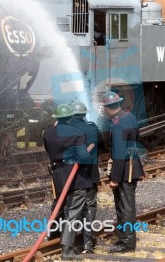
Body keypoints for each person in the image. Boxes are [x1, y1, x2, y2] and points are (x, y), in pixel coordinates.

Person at [43, 104, 92, 260]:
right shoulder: (77, 132)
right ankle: (67, 250)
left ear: (56, 118)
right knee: (73, 213)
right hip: (75, 177)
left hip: (58, 176)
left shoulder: (47, 133)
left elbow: (50, 152)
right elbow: (83, 157)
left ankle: (52, 236)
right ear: (71, 117)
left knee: (60, 208)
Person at [101, 91, 145, 253]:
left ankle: (126, 243)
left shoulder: (118, 124)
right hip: (132, 165)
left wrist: (115, 179)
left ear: (106, 107)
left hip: (125, 170)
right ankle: (125, 239)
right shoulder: (130, 117)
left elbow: (119, 154)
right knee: (126, 205)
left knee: (125, 207)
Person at [69, 101, 101, 254]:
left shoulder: (66, 130)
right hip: (91, 173)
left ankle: (73, 242)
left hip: (73, 176)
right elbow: (103, 143)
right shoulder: (92, 127)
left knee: (74, 208)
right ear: (84, 114)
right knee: (90, 206)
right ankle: (88, 243)